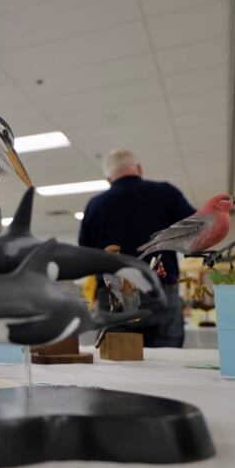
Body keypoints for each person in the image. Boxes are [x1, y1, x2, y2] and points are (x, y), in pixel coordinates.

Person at [79, 149, 196, 347]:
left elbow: (86, 254)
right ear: (139, 169)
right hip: (160, 292)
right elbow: (196, 230)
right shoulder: (166, 193)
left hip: (113, 297)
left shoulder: (95, 206)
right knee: (166, 364)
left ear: (109, 178)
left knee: (117, 368)